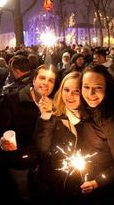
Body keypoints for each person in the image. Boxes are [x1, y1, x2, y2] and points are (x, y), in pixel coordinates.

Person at [0, 64, 57, 204]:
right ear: (33, 80)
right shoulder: (13, 100)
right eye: (42, 78)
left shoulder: (56, 103)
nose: (46, 83)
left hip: (43, 163)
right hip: (18, 161)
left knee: (41, 192)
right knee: (23, 192)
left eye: (51, 80)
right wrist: (1, 141)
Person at [77, 64, 114, 204]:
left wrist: (97, 182)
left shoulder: (112, 121)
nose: (90, 94)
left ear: (107, 89)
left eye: (98, 88)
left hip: (107, 193)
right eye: (86, 87)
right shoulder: (89, 110)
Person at [36, 71, 83, 204]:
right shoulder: (54, 114)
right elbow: (42, 148)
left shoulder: (90, 117)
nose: (70, 96)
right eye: (66, 90)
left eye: (76, 91)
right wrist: (46, 117)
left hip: (81, 183)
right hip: (55, 181)